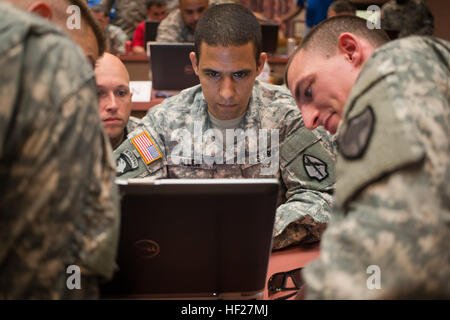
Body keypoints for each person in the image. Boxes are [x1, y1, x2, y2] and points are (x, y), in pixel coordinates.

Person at [114, 3, 336, 250]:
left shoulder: (289, 116)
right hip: (182, 260)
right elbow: (116, 192)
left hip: (265, 263)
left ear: (260, 65)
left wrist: (246, 233)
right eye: (213, 74)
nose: (227, 93)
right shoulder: (164, 121)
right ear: (195, 64)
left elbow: (323, 198)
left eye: (240, 74)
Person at [286, 16, 449, 298]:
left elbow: (398, 256)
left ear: (350, 50)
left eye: (308, 91)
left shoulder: (398, 66)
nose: (309, 120)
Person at [0, 0, 120, 299]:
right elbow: (49, 262)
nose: (86, 85)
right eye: (85, 65)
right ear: (39, 20)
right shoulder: (46, 54)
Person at [95, 53, 140, 150]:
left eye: (121, 93)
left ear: (130, 98)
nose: (113, 105)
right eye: (99, 94)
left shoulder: (145, 137)